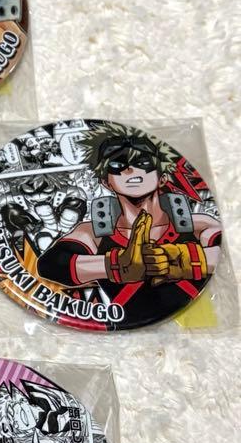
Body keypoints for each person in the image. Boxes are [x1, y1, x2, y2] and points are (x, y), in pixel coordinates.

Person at [36, 123, 222, 326]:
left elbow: (222, 253)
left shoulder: (197, 225)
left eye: (143, 162)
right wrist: (117, 265)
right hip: (124, 334)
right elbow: (51, 265)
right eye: (117, 165)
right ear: (106, 182)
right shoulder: (93, 233)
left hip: (198, 323)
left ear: (162, 178)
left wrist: (180, 259)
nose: (131, 170)